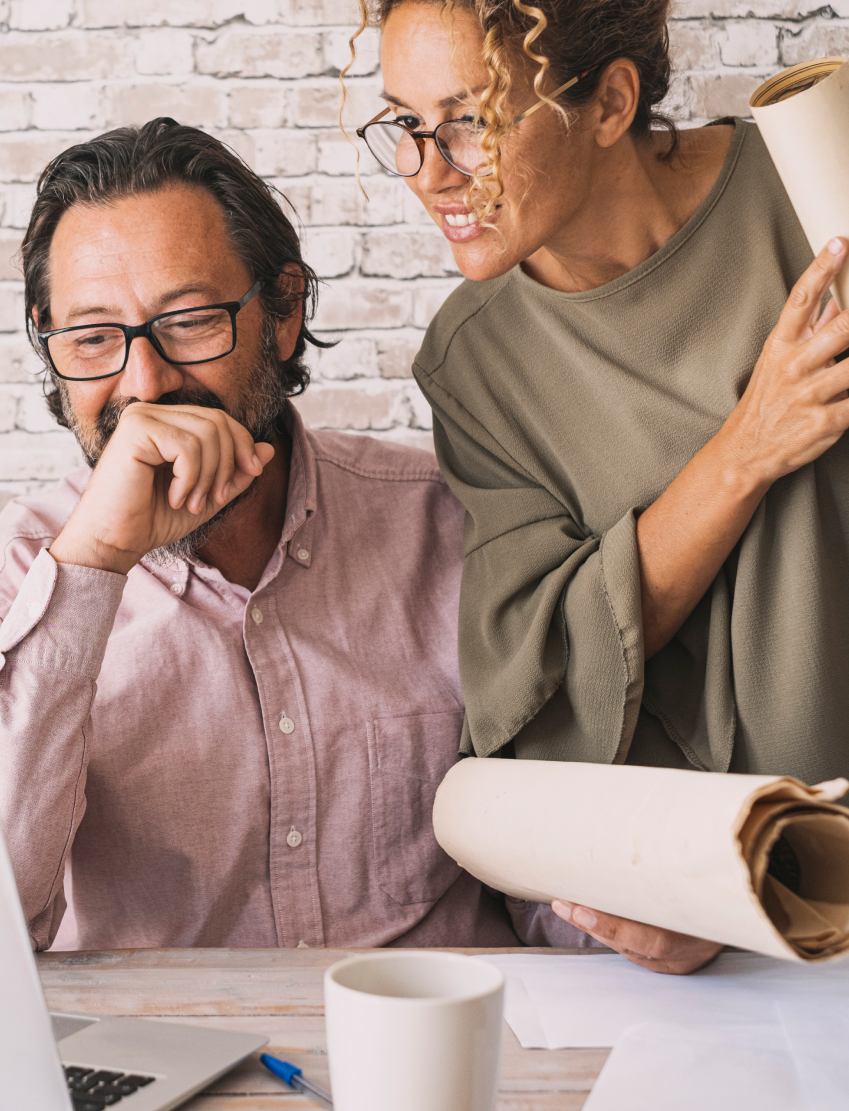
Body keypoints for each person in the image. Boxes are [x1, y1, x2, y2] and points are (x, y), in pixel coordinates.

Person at [0, 119, 719, 974]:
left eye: (191, 321)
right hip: (165, 1080)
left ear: (283, 313)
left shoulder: (454, 526)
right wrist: (93, 564)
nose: (145, 383)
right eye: (92, 340)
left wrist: (648, 909)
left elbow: (540, 862)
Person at [350, 1, 849, 807]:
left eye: (471, 120)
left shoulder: (816, 187)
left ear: (611, 105)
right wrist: (746, 449)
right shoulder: (474, 364)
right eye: (406, 122)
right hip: (724, 861)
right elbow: (546, 670)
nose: (429, 171)